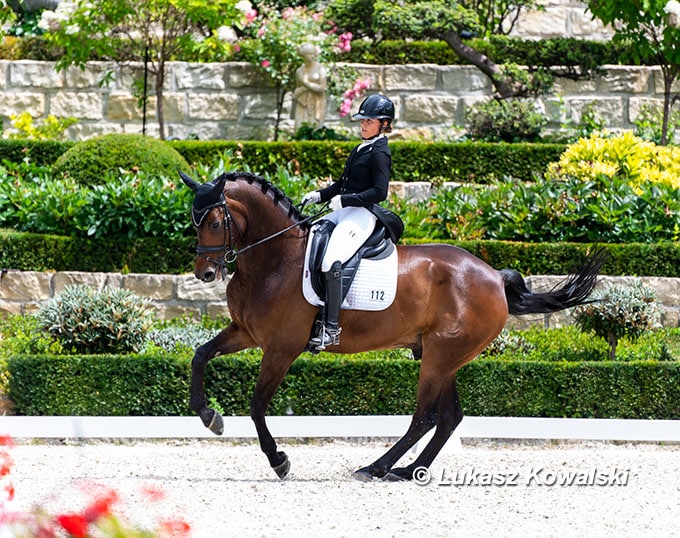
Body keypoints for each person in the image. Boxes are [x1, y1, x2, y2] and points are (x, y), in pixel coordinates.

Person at [302, 93, 397, 350]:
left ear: (384, 124)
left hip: (362, 214)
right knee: (307, 239)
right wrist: (319, 195)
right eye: (362, 121)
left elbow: (380, 192)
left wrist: (347, 201)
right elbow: (342, 184)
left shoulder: (380, 152)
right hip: (344, 210)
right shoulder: (361, 147)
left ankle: (331, 328)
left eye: (369, 121)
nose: (363, 125)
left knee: (332, 259)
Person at [293, 43, 327, 131]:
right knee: (299, 129)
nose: (313, 56)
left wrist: (305, 83)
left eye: (313, 53)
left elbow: (321, 89)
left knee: (315, 129)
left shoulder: (320, 68)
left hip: (317, 102)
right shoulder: (300, 71)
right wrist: (300, 90)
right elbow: (298, 89)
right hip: (303, 102)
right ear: (304, 56)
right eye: (310, 54)